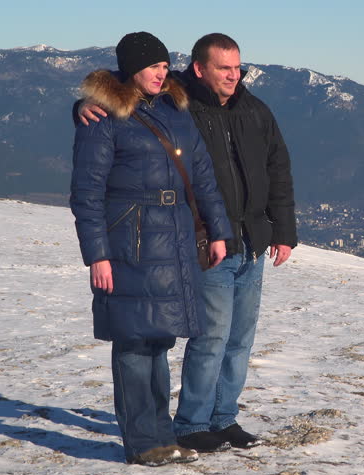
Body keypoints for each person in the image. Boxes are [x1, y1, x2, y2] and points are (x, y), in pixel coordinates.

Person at [78, 33, 297, 452]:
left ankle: (219, 418)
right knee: (197, 338)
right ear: (200, 69)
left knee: (228, 339)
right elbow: (91, 181)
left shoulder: (247, 110)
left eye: (239, 69)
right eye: (225, 69)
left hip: (230, 239)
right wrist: (85, 107)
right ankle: (188, 426)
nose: (235, 76)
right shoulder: (177, 106)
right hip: (178, 242)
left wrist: (279, 230)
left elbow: (273, 170)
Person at [70, 31, 232, 466]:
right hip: (130, 242)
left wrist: (218, 231)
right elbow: (86, 194)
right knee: (134, 342)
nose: (162, 73)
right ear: (131, 69)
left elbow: (202, 176)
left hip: (175, 238)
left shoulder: (175, 111)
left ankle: (162, 435)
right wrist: (97, 255)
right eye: (153, 66)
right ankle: (144, 443)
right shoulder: (101, 118)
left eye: (165, 65)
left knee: (158, 340)